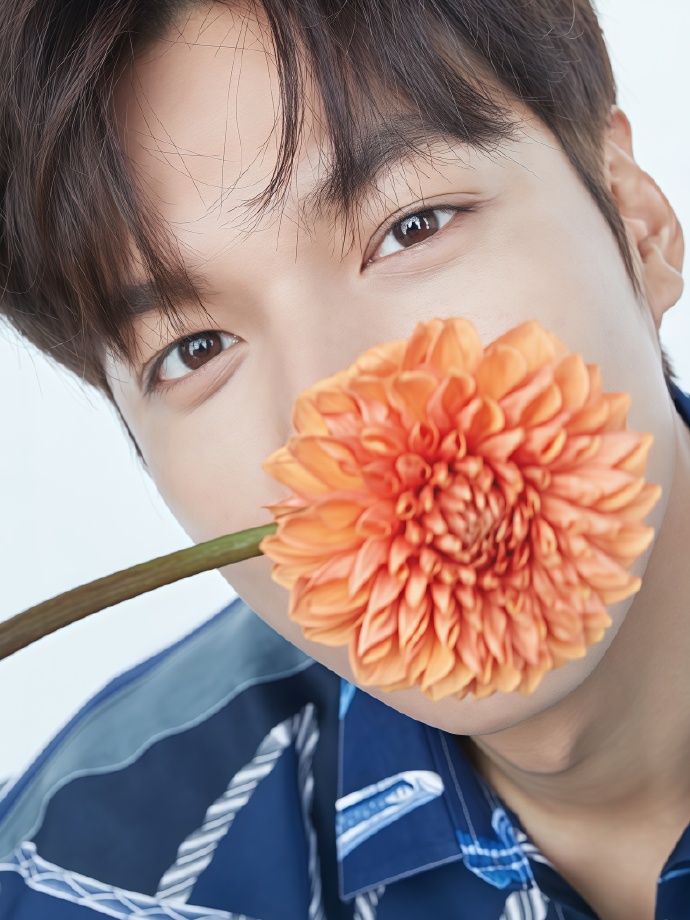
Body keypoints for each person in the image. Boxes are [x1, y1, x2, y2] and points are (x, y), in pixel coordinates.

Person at [0, 0, 687, 917]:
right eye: (195, 349)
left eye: (413, 227)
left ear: (638, 224)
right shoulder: (74, 885)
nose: (330, 416)